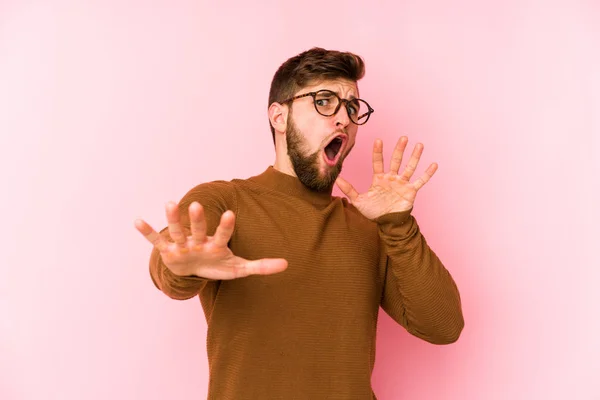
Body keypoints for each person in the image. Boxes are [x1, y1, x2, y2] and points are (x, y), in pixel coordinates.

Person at [134, 47, 464, 400]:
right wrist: (179, 265)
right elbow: (175, 264)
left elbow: (442, 327)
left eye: (352, 107)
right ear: (279, 116)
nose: (344, 119)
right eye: (324, 101)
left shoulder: (370, 226)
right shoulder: (225, 201)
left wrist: (399, 225)